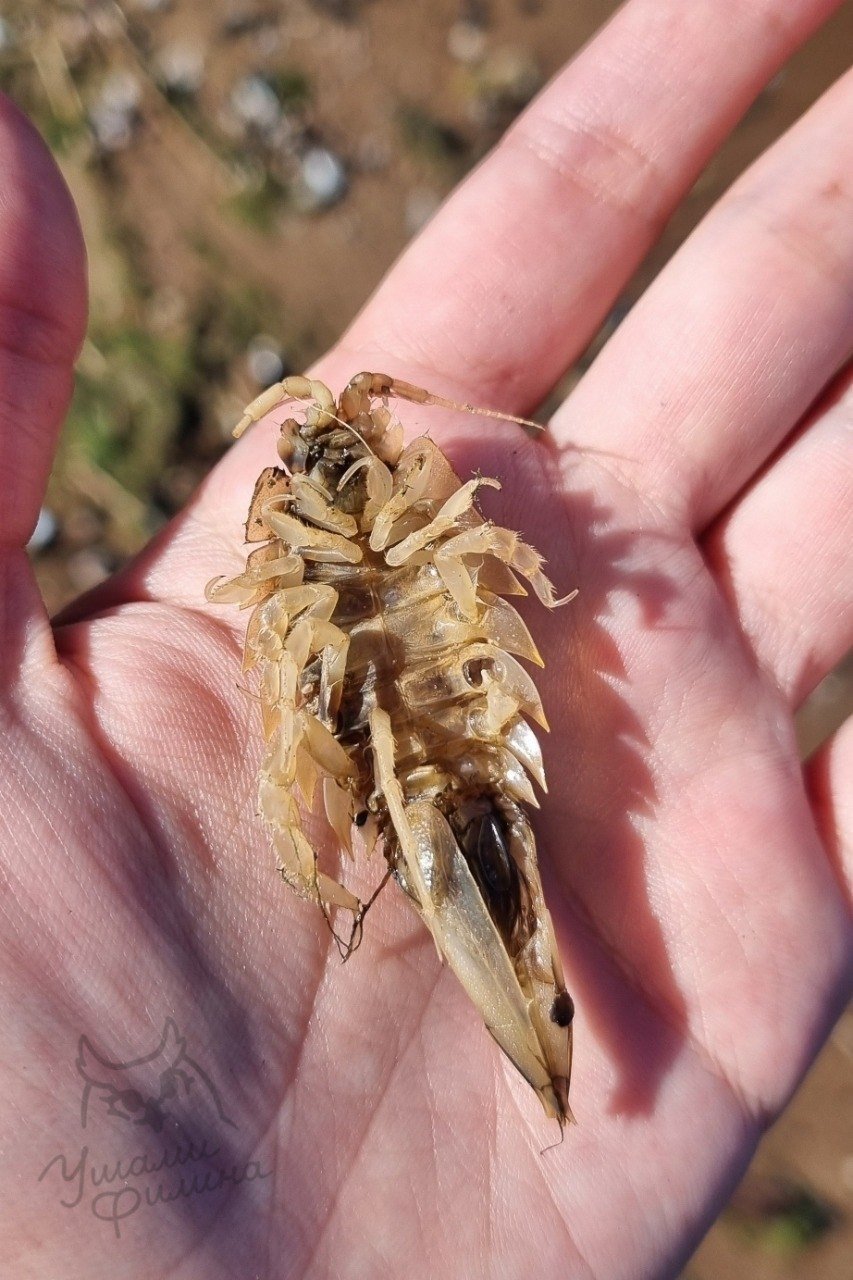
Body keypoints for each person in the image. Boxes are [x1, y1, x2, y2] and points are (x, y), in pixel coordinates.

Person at [1, 0, 850, 1274]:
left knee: (483, 846)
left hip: (461, 711)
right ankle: (544, 1042)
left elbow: (485, 573)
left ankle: (547, 1039)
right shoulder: (302, 558)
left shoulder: (387, 518)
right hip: (408, 736)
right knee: (449, 840)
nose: (327, 450)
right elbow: (308, 675)